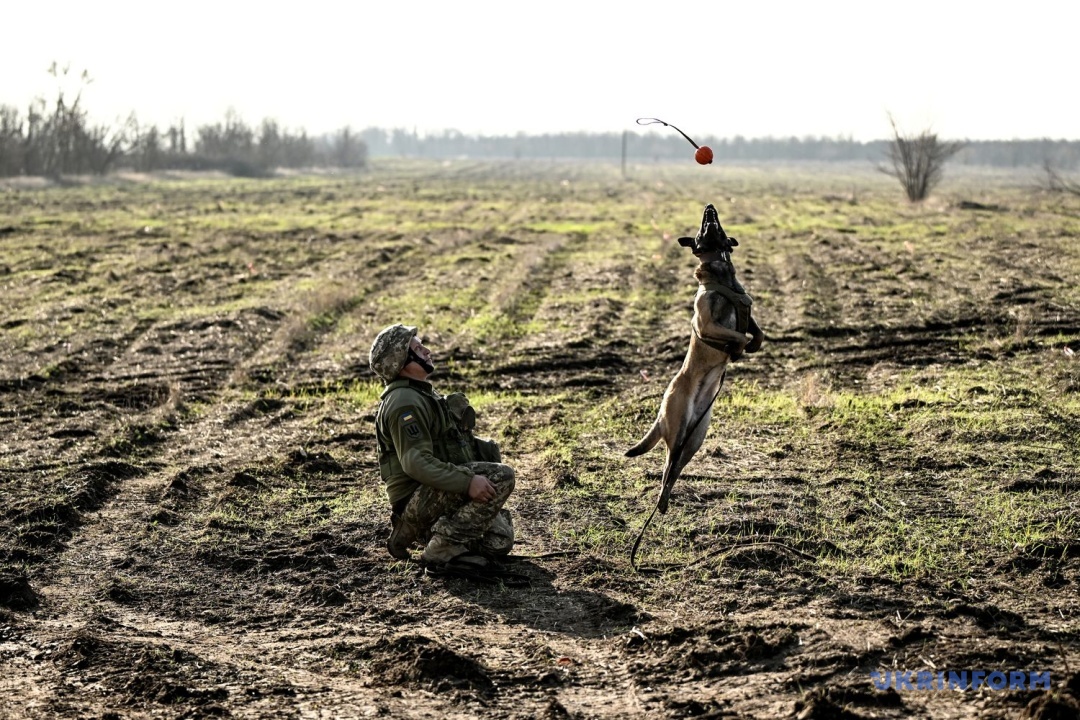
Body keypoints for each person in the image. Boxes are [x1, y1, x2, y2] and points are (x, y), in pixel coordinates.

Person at [369, 323, 515, 567]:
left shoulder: (420, 393)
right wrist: (468, 482)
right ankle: (439, 545)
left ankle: (428, 535)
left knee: (499, 541)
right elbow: (416, 463)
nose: (426, 350)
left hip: (432, 492)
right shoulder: (404, 402)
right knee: (502, 476)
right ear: (401, 361)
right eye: (418, 348)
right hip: (416, 499)